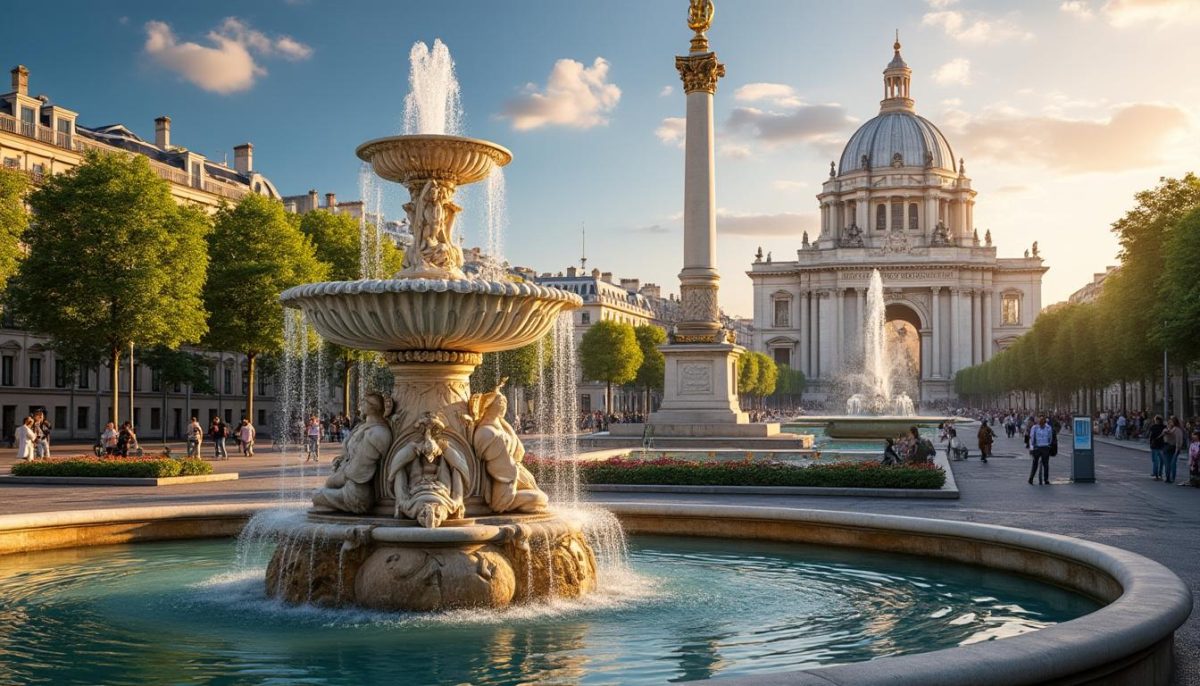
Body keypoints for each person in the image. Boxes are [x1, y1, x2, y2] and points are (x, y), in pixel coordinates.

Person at [1028, 414, 1054, 485]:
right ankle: (1032, 478)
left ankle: (1044, 479)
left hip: (1043, 447)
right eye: (1040, 421)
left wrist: (1048, 445)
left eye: (1043, 421)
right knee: (1037, 463)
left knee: (1044, 464)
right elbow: (1032, 438)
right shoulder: (1035, 428)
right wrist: (1032, 447)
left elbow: (1050, 438)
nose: (1041, 422)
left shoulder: (1048, 428)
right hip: (1039, 447)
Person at [1161, 416, 1186, 484]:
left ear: (1174, 422)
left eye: (1171, 422)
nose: (1170, 423)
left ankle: (1172, 477)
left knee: (1172, 464)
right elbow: (1164, 439)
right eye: (1169, 422)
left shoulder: (1177, 430)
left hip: (1174, 448)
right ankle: (1168, 477)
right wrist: (1165, 432)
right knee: (1167, 464)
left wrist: (1177, 449)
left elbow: (1179, 440)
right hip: (1167, 448)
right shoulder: (1166, 430)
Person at [1147, 415, 1167, 480]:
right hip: (1160, 445)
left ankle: (1156, 474)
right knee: (1160, 461)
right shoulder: (1163, 427)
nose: (1156, 421)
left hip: (1156, 445)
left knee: (1156, 461)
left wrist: (1150, 443)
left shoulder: (1153, 427)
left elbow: (1150, 436)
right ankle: (1159, 474)